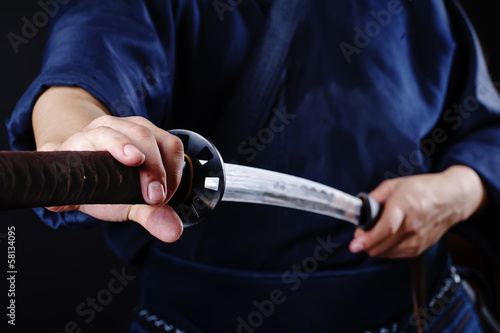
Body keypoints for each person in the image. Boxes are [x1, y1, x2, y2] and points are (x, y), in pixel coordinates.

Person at [7, 0, 500, 332]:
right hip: (206, 315)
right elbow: (82, 68)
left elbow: (489, 133)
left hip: (423, 309)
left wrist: (453, 194)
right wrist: (77, 133)